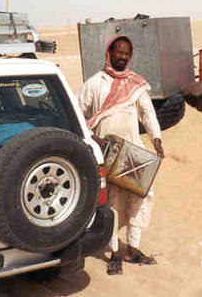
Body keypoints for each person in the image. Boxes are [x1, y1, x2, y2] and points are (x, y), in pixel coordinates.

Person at [78, 36, 164, 276]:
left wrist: (156, 138)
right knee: (112, 201)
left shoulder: (135, 84)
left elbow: (147, 113)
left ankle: (133, 249)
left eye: (127, 53)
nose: (123, 57)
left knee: (141, 196)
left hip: (133, 152)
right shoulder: (95, 83)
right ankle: (115, 251)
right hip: (107, 153)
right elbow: (77, 113)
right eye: (119, 53)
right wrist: (93, 138)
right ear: (109, 53)